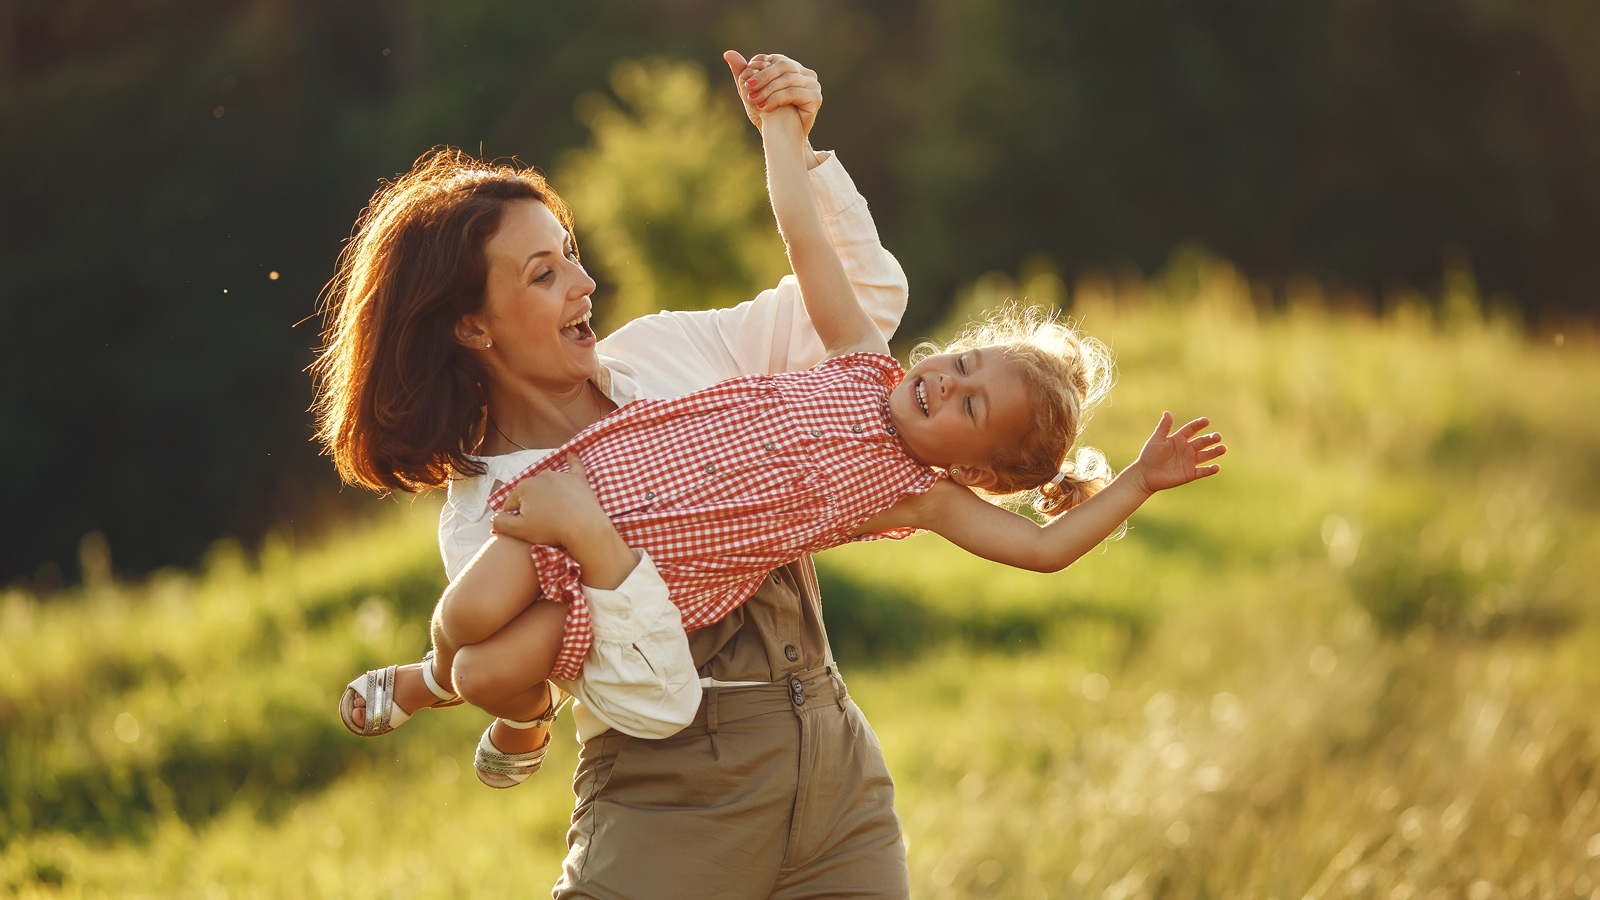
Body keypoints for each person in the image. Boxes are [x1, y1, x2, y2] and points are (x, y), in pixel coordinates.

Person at [433, 99, 1226, 785]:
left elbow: (1043, 549)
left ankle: (462, 697)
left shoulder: (919, 495)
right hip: (599, 489)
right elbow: (805, 238)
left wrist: (1139, 482)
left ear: (974, 467)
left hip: (643, 577)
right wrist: (782, 130)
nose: (948, 381)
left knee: (488, 667)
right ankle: (426, 676)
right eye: (964, 362)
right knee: (459, 620)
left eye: (973, 406)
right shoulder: (857, 359)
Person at [317, 52, 922, 898]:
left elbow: (865, 305)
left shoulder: (667, 354)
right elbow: (638, 687)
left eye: (569, 254)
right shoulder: (492, 512)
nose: (586, 282)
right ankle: (492, 718)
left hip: (836, 781)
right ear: (471, 330)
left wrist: (799, 148)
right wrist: (595, 539)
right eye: (544, 274)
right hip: (670, 808)